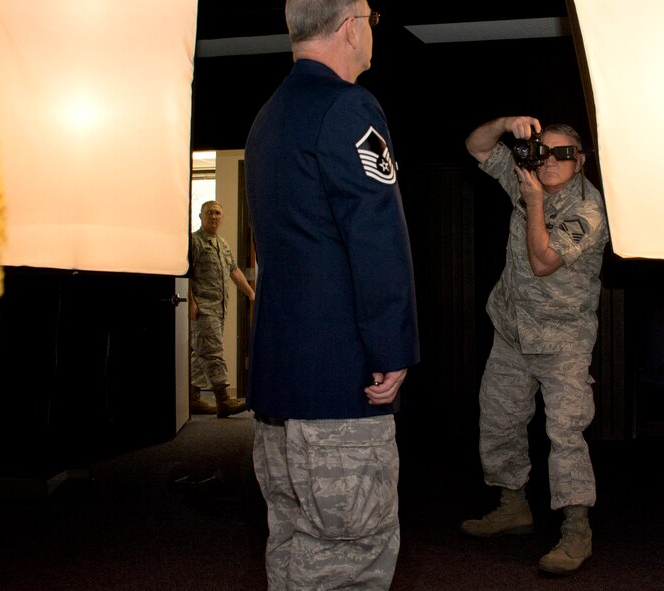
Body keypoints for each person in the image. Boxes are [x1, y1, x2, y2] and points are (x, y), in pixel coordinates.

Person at [243, 1, 419, 588]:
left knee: (295, 549)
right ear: (351, 26)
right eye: (373, 16)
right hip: (341, 387)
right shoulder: (348, 106)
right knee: (351, 556)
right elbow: (375, 235)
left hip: (280, 384)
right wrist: (391, 348)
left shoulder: (268, 116)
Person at [459, 116, 609, 575]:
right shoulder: (526, 180)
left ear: (579, 161)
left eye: (562, 153)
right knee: (500, 418)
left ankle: (576, 528)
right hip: (512, 331)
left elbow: (543, 261)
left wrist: (535, 204)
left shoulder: (588, 210)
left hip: (562, 339)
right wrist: (506, 123)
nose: (549, 161)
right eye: (542, 151)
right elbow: (476, 145)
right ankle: (513, 506)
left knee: (565, 433)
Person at [188, 200, 255, 418]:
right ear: (200, 216)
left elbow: (234, 270)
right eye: (209, 213)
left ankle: (193, 398)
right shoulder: (194, 241)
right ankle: (223, 400)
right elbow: (185, 274)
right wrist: (190, 301)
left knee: (200, 353)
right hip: (203, 308)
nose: (214, 216)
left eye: (217, 213)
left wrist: (251, 294)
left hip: (219, 308)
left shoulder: (222, 243)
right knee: (213, 352)